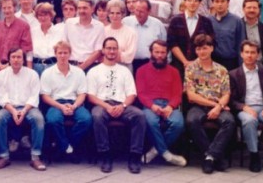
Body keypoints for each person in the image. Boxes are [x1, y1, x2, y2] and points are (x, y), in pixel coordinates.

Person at [86, 37, 145, 174]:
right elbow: (91, 96)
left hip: (122, 104)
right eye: (109, 48)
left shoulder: (125, 71)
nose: (111, 51)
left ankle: (135, 156)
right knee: (97, 116)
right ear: (103, 50)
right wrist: (106, 106)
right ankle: (105, 155)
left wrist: (123, 106)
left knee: (140, 116)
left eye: (114, 48)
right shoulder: (94, 71)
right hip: (102, 104)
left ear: (117, 51)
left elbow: (132, 94)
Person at [229, 40, 263, 173]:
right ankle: (254, 156)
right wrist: (243, 107)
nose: (250, 55)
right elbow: (231, 99)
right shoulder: (233, 74)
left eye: (253, 52)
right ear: (241, 54)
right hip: (245, 108)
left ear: (258, 55)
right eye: (246, 52)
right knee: (249, 120)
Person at [185, 33, 235, 175]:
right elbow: (191, 95)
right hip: (198, 106)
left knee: (229, 121)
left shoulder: (222, 69)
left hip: (219, 106)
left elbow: (226, 93)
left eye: (205, 48)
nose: (202, 52)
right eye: (199, 49)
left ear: (212, 49)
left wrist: (218, 107)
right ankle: (214, 157)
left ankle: (209, 157)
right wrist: (215, 105)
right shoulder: (191, 69)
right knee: (192, 120)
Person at [0, 48, 46, 171]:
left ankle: (35, 157)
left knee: (38, 119)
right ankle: (3, 156)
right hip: (9, 107)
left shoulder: (32, 74)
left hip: (28, 107)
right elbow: (2, 97)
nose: (16, 60)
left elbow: (34, 96)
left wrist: (24, 111)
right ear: (9, 59)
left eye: (19, 57)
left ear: (23, 59)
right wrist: (14, 111)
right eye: (13, 57)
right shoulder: (1, 75)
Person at [135, 40, 187, 167]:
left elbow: (177, 94)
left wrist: (170, 106)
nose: (159, 55)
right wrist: (152, 106)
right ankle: (167, 154)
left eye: (163, 52)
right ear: (151, 52)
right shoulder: (141, 70)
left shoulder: (174, 71)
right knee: (151, 122)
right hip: (150, 105)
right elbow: (141, 93)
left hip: (169, 104)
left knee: (178, 123)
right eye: (156, 52)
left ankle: (155, 151)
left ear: (167, 54)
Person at [40, 40, 92, 158]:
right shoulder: (47, 73)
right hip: (56, 104)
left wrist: (74, 106)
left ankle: (65, 145)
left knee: (86, 119)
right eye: (60, 53)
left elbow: (82, 94)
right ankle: (67, 147)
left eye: (65, 53)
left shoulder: (78, 72)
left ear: (70, 54)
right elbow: (45, 97)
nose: (63, 56)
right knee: (53, 120)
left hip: (75, 103)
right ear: (55, 54)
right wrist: (61, 107)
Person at [167, 0, 214, 74]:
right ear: (185, 2)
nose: (192, 3)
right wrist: (185, 61)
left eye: (196, 0)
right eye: (189, 0)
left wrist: (196, 62)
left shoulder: (206, 22)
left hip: (200, 65)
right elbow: (172, 43)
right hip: (178, 65)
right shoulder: (175, 20)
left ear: (200, 3)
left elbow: (211, 43)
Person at [124, 0, 167, 72]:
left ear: (149, 11)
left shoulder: (158, 25)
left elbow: (165, 46)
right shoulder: (126, 22)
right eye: (136, 10)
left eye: (141, 12)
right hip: (129, 63)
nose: (138, 14)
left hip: (151, 64)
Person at [0, 0, 33, 71]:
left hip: (17, 66)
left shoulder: (24, 26)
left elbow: (26, 49)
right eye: (4, 8)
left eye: (9, 7)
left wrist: (8, 65)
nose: (7, 10)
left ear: (14, 8)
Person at [208, 0, 245, 71]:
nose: (220, 4)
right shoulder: (208, 20)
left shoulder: (236, 21)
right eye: (217, 1)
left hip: (231, 63)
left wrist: (241, 66)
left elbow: (241, 44)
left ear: (228, 3)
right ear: (213, 3)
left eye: (222, 1)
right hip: (213, 62)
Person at [65, 0, 104, 71]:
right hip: (71, 65)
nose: (81, 11)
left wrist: (81, 67)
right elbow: (64, 45)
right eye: (79, 8)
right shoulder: (69, 23)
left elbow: (98, 51)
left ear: (92, 9)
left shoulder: (99, 26)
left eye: (85, 8)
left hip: (92, 67)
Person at [30, 2, 64, 76]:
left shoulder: (60, 31)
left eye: (45, 15)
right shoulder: (32, 31)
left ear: (51, 15)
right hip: (36, 67)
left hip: (54, 66)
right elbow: (29, 53)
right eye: (40, 15)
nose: (43, 18)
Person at [103, 0, 137, 70]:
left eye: (118, 13)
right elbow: (100, 52)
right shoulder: (103, 31)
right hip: (105, 67)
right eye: (112, 13)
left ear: (123, 14)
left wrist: (109, 53)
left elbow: (129, 57)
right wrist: (120, 53)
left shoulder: (131, 32)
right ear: (108, 14)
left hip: (124, 68)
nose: (115, 16)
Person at [242, 0, 263, 66]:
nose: (252, 10)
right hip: (241, 66)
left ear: (259, 10)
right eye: (249, 8)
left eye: (254, 8)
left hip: (260, 65)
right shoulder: (237, 25)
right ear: (243, 9)